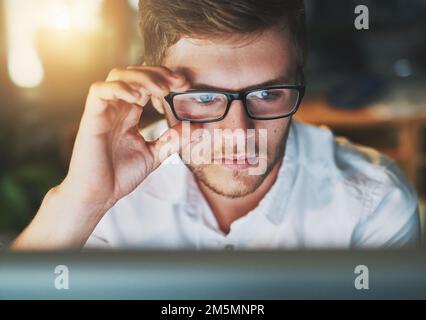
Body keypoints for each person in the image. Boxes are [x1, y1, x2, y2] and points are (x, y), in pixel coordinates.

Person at [12, 0, 420, 250]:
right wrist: (81, 203)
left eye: (266, 94)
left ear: (299, 83)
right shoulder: (109, 195)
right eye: (205, 98)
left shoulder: (374, 202)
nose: (240, 133)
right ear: (156, 95)